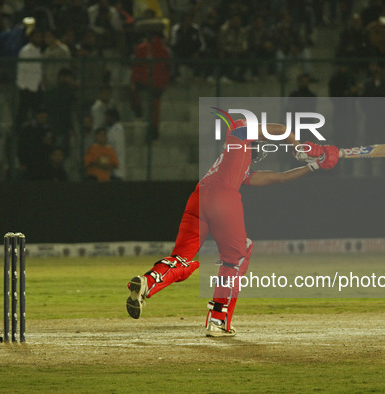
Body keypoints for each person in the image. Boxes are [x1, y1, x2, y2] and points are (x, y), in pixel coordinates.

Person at [125, 120, 340, 337]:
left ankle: (147, 281)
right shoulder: (238, 135)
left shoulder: (237, 164)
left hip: (198, 199)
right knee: (237, 256)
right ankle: (218, 321)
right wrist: (296, 144)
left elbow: (279, 177)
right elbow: (281, 130)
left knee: (181, 258)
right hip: (223, 199)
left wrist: (313, 166)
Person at [130, 31, 172, 141]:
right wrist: (163, 85)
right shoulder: (165, 51)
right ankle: (154, 130)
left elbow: (136, 67)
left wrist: (134, 81)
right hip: (158, 84)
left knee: (134, 90)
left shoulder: (142, 48)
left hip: (144, 81)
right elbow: (167, 71)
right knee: (155, 107)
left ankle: (137, 108)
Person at [15, 27, 43, 128]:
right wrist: (22, 86)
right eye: (36, 37)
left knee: (37, 111)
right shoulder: (26, 51)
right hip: (27, 86)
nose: (38, 39)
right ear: (31, 38)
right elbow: (21, 68)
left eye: (39, 37)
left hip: (37, 86)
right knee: (23, 112)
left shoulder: (40, 50)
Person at [104, 108, 125, 181]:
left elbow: (118, 149)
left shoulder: (118, 129)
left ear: (112, 117)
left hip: (116, 170)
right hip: (110, 169)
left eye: (106, 117)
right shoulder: (110, 129)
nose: (105, 119)